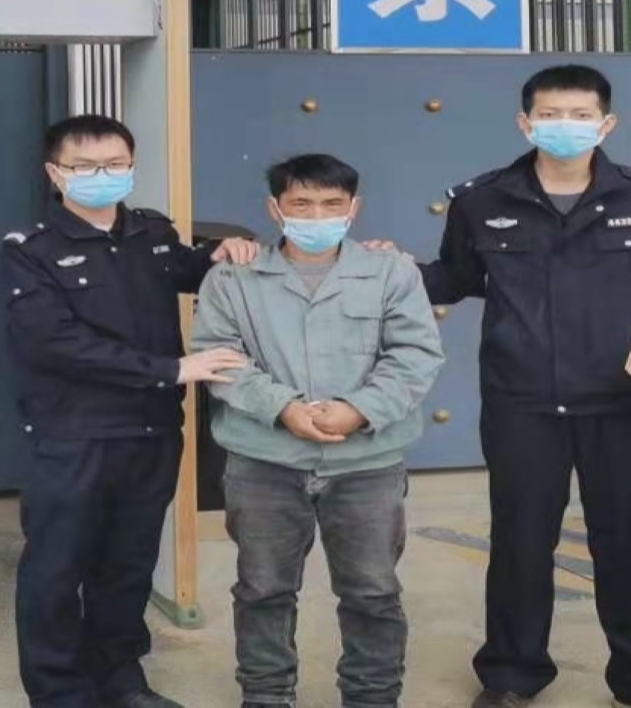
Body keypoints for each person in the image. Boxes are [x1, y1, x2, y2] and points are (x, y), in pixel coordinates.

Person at [417, 64, 631, 708]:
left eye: (580, 115)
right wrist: (378, 268)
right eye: (550, 115)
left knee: (630, 544)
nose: (564, 126)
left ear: (606, 123)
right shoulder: (482, 201)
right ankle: (512, 675)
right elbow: (454, 277)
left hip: (625, 404)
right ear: (525, 123)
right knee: (520, 542)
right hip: (522, 403)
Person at [0, 114, 258, 708]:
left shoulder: (152, 233)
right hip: (74, 433)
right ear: (55, 173)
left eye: (115, 164)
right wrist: (172, 369)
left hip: (152, 430)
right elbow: (52, 342)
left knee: (128, 564)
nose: (102, 175)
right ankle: (60, 693)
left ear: (132, 166)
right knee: (56, 569)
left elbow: (192, 269)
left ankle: (121, 680)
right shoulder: (31, 249)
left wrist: (223, 252)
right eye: (85, 166)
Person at [189, 154, 445, 708]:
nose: (316, 215)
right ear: (274, 208)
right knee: (262, 590)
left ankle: (373, 696)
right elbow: (219, 358)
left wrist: (359, 408)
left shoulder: (393, 273)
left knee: (373, 592)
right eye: (301, 204)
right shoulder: (232, 278)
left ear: (354, 208)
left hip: (367, 464)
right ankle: (266, 694)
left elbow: (416, 355)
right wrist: (282, 408)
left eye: (331, 204)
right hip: (264, 462)